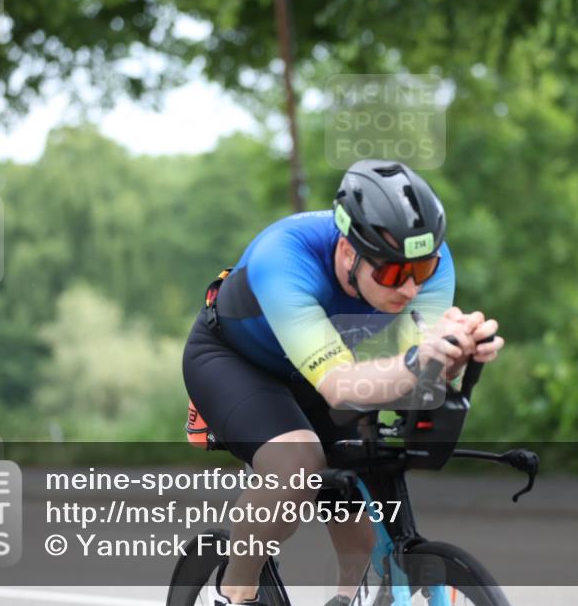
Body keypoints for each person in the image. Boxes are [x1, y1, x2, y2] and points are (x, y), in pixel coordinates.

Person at [182, 160, 504, 606]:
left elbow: (419, 373)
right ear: (349, 252)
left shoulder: (425, 260)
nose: (410, 288)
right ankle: (234, 591)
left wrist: (455, 353)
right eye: (392, 274)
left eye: (422, 270)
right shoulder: (285, 255)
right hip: (237, 362)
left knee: (360, 475)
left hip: (326, 364)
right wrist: (419, 356)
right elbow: (338, 386)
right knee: (296, 465)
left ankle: (347, 597)